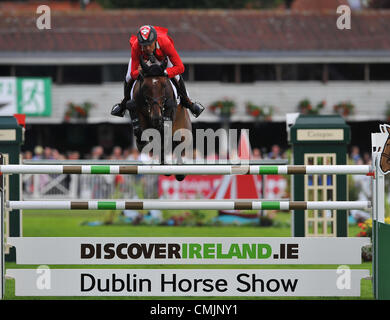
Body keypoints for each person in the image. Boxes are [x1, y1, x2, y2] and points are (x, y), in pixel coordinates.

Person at [111, 25, 204, 136]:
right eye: (144, 46)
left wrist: (165, 73)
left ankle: (188, 102)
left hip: (162, 58)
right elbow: (133, 73)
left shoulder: (164, 42)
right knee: (128, 77)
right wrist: (141, 72)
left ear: (155, 41)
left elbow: (180, 67)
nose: (147, 49)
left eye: (149, 45)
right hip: (144, 62)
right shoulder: (136, 46)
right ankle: (123, 104)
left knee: (177, 76)